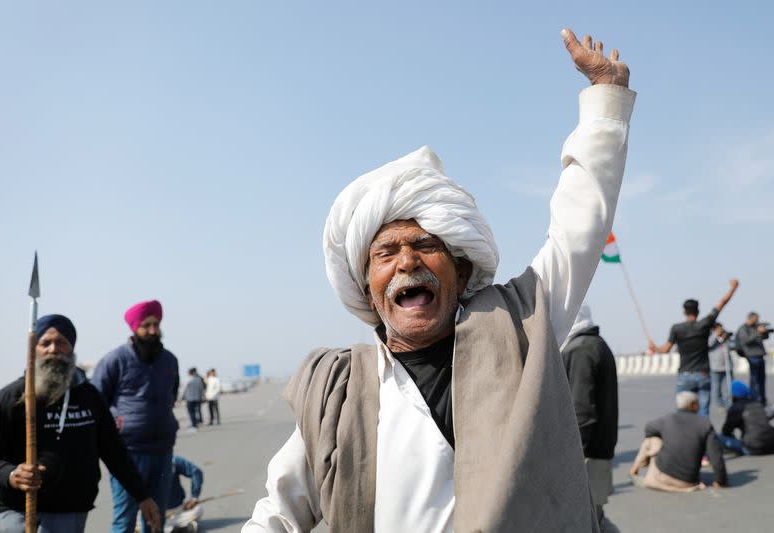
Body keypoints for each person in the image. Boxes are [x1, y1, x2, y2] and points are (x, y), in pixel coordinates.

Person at [244, 28, 636, 532]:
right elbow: (277, 511)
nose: (407, 261)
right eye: (385, 252)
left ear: (462, 269)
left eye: (426, 246)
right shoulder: (338, 392)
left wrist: (604, 102)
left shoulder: (518, 330)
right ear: (367, 289)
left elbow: (577, 231)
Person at [0, 314, 161, 533]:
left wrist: (142, 495)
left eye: (61, 342)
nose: (53, 349)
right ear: (34, 349)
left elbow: (114, 451)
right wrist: (12, 474)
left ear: (71, 348)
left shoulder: (89, 396)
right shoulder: (12, 398)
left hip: (73, 512)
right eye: (45, 343)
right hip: (21, 511)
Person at [92, 300, 180, 533]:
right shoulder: (115, 360)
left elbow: (171, 395)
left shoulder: (170, 360)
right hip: (127, 453)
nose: (153, 330)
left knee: (156, 517)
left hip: (162, 449)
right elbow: (97, 403)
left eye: (156, 324)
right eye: (146, 325)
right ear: (134, 328)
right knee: (125, 518)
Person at [561, 304, 618, 525]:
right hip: (599, 450)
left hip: (587, 456)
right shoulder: (595, 344)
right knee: (595, 519)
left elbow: (581, 411)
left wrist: (571, 458)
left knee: (587, 521)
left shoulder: (581, 349)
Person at [648, 280, 739, 417]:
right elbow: (722, 303)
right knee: (703, 412)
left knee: (683, 412)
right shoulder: (704, 324)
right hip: (703, 374)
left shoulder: (677, 328)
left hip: (684, 374)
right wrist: (733, 288)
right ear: (698, 311)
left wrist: (654, 348)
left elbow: (664, 350)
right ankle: (703, 437)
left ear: (684, 312)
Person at [629, 391, 727, 492]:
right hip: (687, 482)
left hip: (659, 478)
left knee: (651, 439)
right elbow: (716, 456)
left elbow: (648, 429)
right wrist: (721, 480)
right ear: (692, 405)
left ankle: (635, 467)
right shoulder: (705, 424)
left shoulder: (667, 419)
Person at [718, 381, 774, 455]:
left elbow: (726, 430)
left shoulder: (736, 408)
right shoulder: (757, 403)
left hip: (753, 448)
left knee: (718, 437)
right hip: (771, 445)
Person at [735, 312, 771, 404]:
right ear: (750, 318)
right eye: (756, 319)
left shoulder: (756, 327)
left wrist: (765, 332)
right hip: (752, 357)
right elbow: (745, 341)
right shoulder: (743, 329)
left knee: (762, 379)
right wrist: (757, 333)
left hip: (760, 356)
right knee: (754, 380)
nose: (757, 321)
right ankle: (754, 399)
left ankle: (762, 399)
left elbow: (764, 338)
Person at [165, 456, 205, 533]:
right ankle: (178, 529)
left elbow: (195, 472)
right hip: (154, 513)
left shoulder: (173, 461)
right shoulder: (143, 465)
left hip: (178, 509)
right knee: (144, 521)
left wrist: (194, 497)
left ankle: (168, 528)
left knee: (198, 510)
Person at [708, 323, 733, 408]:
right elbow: (709, 344)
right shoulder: (711, 337)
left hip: (727, 367)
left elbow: (733, 346)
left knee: (729, 388)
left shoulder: (726, 338)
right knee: (716, 389)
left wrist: (727, 338)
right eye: (718, 329)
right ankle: (720, 405)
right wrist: (716, 335)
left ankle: (729, 405)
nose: (721, 330)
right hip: (715, 368)